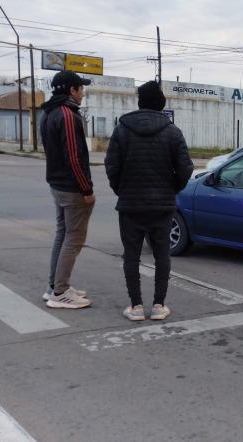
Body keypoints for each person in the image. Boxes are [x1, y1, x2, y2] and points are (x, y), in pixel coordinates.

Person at [105, 80, 193, 321]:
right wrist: (171, 189)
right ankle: (158, 305)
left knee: (131, 255)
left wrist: (122, 190)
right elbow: (185, 169)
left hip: (130, 205)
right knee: (161, 253)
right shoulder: (173, 131)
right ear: (161, 103)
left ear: (140, 102)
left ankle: (135, 306)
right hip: (162, 205)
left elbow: (112, 167)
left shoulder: (122, 129)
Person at [41, 70, 95, 309]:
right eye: (80, 88)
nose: (83, 93)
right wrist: (87, 190)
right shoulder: (67, 114)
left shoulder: (49, 113)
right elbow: (74, 157)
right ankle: (60, 292)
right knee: (74, 238)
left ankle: (54, 285)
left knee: (63, 235)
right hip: (71, 188)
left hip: (57, 184)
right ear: (71, 90)